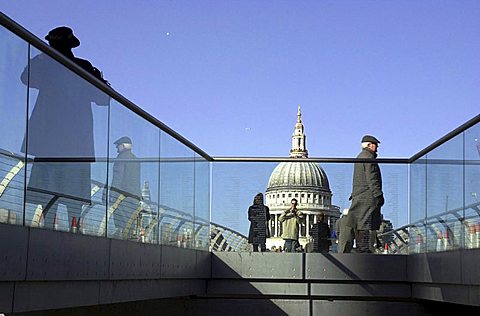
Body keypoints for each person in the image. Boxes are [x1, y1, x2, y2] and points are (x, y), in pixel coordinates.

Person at [21, 26, 109, 229]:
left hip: (49, 141)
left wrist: (41, 57)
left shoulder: (47, 65)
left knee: (48, 195)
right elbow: (104, 98)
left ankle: (49, 230)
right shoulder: (82, 66)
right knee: (74, 197)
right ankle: (74, 231)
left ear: (52, 44)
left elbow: (25, 78)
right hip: (76, 143)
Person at [346, 135, 384, 253]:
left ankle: (362, 249)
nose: (377, 148)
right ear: (369, 145)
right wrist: (378, 194)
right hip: (367, 197)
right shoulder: (368, 157)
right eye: (375, 145)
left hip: (359, 195)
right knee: (366, 225)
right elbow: (372, 178)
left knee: (361, 225)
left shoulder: (360, 157)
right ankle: (364, 250)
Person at [108, 136, 141, 238]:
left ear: (123, 146)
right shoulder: (136, 160)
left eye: (118, 146)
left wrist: (111, 195)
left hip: (122, 198)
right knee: (130, 226)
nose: (117, 148)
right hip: (134, 198)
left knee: (120, 225)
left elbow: (117, 178)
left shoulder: (121, 158)